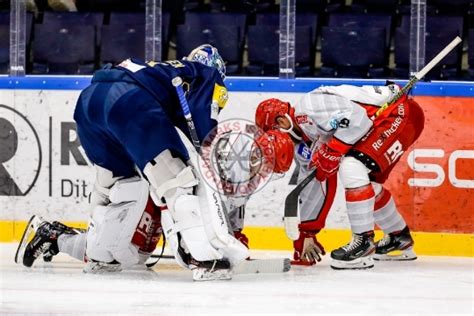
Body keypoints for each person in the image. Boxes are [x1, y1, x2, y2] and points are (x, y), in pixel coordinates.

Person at [15, 44, 253, 281]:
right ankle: (206, 260)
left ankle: (100, 257)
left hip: (89, 102)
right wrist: (212, 159)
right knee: (177, 181)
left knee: (123, 186)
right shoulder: (207, 74)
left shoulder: (165, 70)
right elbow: (203, 127)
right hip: (129, 100)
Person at [255, 83, 423, 269]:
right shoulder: (304, 144)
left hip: (398, 113)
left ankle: (363, 243)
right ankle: (398, 237)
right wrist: (307, 234)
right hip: (387, 121)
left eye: (273, 133)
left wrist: (333, 150)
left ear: (281, 122)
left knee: (351, 166)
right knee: (364, 185)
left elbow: (359, 120)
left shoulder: (309, 106)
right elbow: (316, 185)